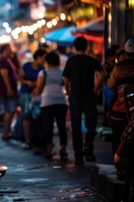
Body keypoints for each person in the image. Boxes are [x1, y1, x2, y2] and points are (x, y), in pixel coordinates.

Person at [62, 36, 106, 165]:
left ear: (75, 47)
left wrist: (69, 92)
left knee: (76, 126)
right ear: (86, 47)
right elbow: (103, 74)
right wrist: (96, 88)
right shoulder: (92, 60)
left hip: (75, 97)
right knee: (91, 123)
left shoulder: (71, 61)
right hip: (89, 96)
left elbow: (66, 79)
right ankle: (88, 146)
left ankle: (78, 155)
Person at [33, 51, 68, 159]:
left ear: (47, 61)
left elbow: (39, 89)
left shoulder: (43, 73)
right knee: (61, 125)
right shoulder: (62, 72)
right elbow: (65, 86)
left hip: (47, 102)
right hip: (61, 101)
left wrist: (34, 93)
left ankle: (48, 150)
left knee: (47, 126)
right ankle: (63, 149)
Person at [107, 39, 134, 169]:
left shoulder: (118, 68)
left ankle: (119, 169)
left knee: (117, 139)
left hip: (120, 113)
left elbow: (110, 85)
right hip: (131, 114)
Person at [14, 48, 47, 149]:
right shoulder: (26, 66)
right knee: (26, 115)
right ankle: (27, 140)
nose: (44, 60)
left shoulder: (42, 69)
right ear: (38, 57)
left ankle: (35, 140)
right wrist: (28, 83)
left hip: (37, 95)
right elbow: (19, 79)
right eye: (44, 58)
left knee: (36, 116)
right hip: (25, 94)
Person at [0, 44, 19, 140]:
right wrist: (9, 88)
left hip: (9, 90)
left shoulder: (6, 60)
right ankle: (5, 133)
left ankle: (7, 131)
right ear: (4, 51)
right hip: (7, 91)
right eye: (9, 50)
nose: (11, 52)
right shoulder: (3, 62)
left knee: (11, 111)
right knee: (9, 110)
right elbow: (5, 76)